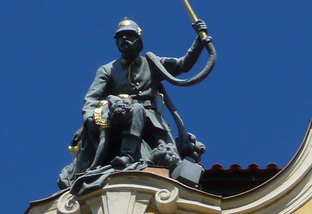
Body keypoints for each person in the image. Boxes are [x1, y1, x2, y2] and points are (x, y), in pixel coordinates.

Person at [58, 18, 210, 191]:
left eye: (128, 36)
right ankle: (126, 156)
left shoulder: (152, 63)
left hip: (151, 119)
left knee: (171, 158)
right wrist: (89, 117)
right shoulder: (107, 69)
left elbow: (183, 65)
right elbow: (92, 99)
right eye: (120, 37)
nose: (124, 40)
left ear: (138, 41)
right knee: (134, 110)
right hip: (118, 116)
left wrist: (199, 41)